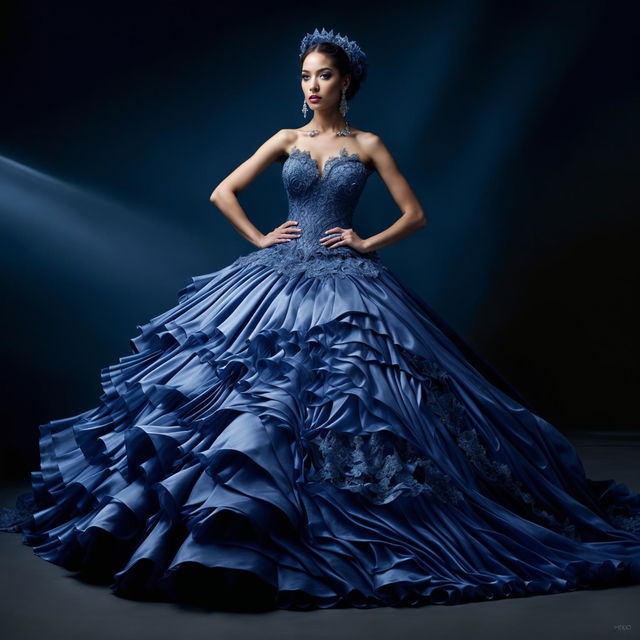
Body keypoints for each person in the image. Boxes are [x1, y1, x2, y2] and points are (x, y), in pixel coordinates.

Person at [1, 27, 639, 612]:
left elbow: (414, 215)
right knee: (246, 397)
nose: (311, 86)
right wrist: (258, 237)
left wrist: (367, 242)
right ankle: (236, 517)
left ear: (346, 83)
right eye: (306, 75)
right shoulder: (286, 141)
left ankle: (342, 517)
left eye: (324, 75)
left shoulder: (367, 144)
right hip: (279, 274)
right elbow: (224, 192)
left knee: (360, 399)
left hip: (349, 282)